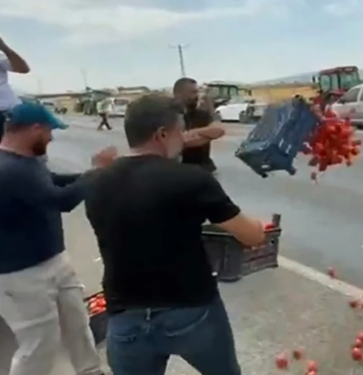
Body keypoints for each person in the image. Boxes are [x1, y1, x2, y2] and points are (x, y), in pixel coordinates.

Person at [83, 94, 266, 375]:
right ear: (163, 134)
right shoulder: (191, 179)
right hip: (191, 311)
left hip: (125, 317)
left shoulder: (95, 182)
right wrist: (255, 226)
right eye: (181, 132)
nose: (184, 139)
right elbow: (252, 237)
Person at [0, 102, 117, 375]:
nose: (52, 137)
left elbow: (53, 181)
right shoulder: (8, 170)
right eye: (50, 131)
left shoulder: (26, 161)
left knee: (77, 324)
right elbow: (60, 200)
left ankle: (89, 370)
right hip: (21, 275)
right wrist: (97, 171)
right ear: (34, 128)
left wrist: (93, 175)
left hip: (54, 259)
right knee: (40, 342)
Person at [173, 77, 225, 173]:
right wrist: (206, 134)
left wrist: (190, 134)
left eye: (197, 92)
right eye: (193, 92)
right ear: (178, 94)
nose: (197, 96)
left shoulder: (202, 114)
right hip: (179, 171)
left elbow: (219, 131)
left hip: (204, 169)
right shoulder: (168, 116)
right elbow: (178, 142)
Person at [0, 36, 30, 143]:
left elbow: (23, 69)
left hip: (6, 114)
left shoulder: (1, 58)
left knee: (15, 155)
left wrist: (4, 48)